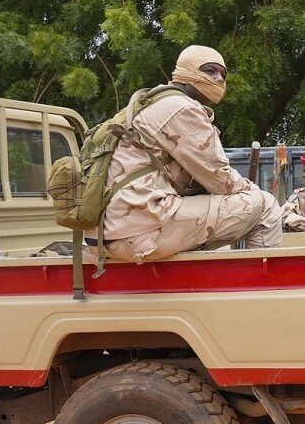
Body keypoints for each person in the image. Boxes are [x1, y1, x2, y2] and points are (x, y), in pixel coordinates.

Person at [93, 45, 282, 263]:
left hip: (112, 231)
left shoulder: (153, 102)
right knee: (266, 206)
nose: (219, 79)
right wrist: (252, 191)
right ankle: (261, 283)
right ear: (186, 71)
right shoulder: (181, 108)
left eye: (223, 74)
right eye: (210, 71)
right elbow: (222, 180)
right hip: (141, 230)